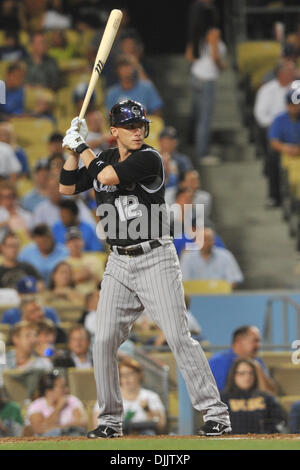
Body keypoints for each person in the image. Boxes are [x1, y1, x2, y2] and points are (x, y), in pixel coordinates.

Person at [59, 98, 232, 437]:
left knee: (180, 338)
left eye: (141, 126)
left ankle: (216, 414)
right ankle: (109, 421)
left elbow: (106, 176)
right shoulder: (103, 155)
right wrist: (71, 147)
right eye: (130, 126)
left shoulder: (149, 157)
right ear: (114, 132)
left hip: (156, 257)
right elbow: (67, 187)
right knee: (104, 340)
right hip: (119, 261)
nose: (138, 131)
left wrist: (81, 146)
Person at [185, 0, 226, 164]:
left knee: (197, 115)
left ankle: (193, 143)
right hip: (207, 79)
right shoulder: (213, 32)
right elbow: (215, 57)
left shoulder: (196, 32)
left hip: (195, 76)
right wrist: (223, 66)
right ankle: (202, 154)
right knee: (205, 118)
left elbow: (189, 56)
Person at [92, 356, 167, 435]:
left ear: (139, 375)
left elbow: (161, 426)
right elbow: (96, 426)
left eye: (130, 374)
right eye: (122, 375)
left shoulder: (151, 397)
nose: (126, 378)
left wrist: (147, 410)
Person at [221, 358, 286, 434]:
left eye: (251, 373)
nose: (247, 377)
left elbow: (279, 421)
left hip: (263, 442)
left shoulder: (266, 398)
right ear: (233, 375)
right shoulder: (223, 399)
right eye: (242, 373)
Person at [254, 61, 296, 178]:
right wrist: (277, 126)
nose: (294, 73)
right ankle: (274, 188)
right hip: (273, 125)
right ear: (281, 74)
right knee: (273, 140)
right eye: (290, 71)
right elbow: (260, 115)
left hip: (294, 124)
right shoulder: (267, 90)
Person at [209, 326, 277, 395]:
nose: (258, 345)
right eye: (255, 341)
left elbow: (271, 394)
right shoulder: (217, 362)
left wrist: (258, 369)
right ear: (239, 340)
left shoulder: (258, 361)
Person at [26, 370, 87, 436]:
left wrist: (58, 427)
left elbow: (83, 423)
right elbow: (39, 429)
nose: (67, 390)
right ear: (49, 391)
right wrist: (59, 408)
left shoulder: (72, 400)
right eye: (62, 387)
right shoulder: (36, 405)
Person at [268, 86, 300, 207]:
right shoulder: (279, 119)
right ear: (288, 105)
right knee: (271, 158)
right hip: (284, 150)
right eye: (294, 105)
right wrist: (285, 148)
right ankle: (274, 196)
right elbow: (274, 141)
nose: (297, 108)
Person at [65, 227, 104, 295]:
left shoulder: (95, 260)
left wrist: (91, 275)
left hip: (94, 296)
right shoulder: (63, 264)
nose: (75, 243)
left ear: (83, 242)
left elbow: (103, 283)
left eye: (77, 239)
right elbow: (60, 285)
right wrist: (76, 278)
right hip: (73, 299)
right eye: (71, 240)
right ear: (66, 244)